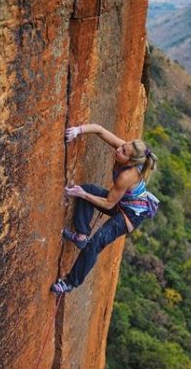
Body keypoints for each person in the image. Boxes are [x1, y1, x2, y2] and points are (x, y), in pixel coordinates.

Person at [51, 123, 157, 294]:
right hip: (123, 203)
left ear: (131, 162)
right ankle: (81, 235)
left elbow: (108, 204)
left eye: (124, 152)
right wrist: (78, 131)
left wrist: (82, 195)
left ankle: (69, 283)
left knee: (95, 244)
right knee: (88, 189)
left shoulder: (127, 175)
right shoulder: (125, 151)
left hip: (130, 215)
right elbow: (100, 130)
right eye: (123, 146)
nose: (119, 149)